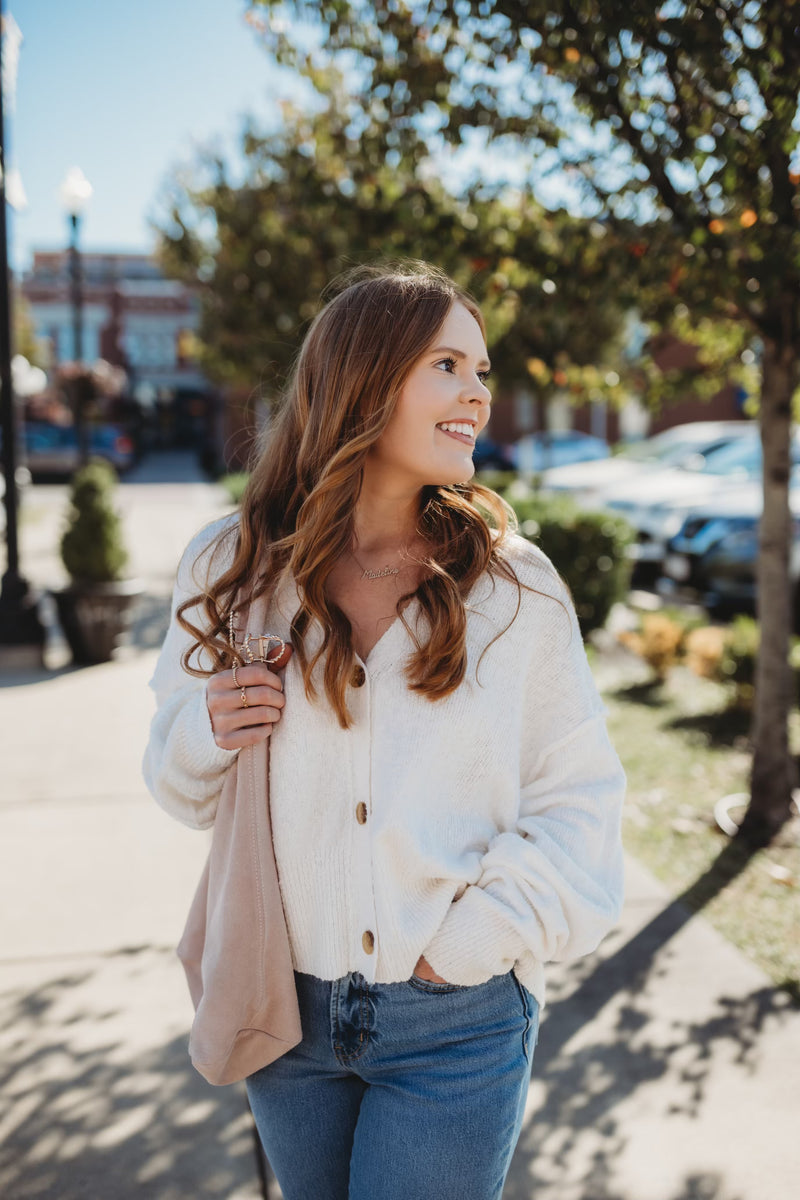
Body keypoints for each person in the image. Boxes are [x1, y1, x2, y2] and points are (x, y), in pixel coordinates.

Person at [143, 262, 625, 1200]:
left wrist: (469, 947)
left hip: (458, 1022)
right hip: (284, 1013)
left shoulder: (514, 588)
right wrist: (209, 727)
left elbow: (581, 802)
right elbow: (176, 786)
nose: (479, 393)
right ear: (365, 378)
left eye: (482, 371)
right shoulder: (232, 568)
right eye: (449, 364)